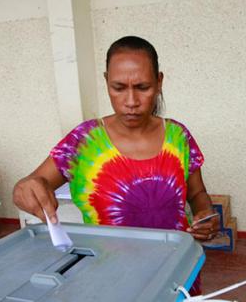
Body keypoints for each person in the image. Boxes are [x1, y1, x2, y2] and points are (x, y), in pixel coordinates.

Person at [14, 36, 217, 293]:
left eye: (142, 87)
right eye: (118, 87)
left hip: (176, 273)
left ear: (159, 82)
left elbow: (198, 194)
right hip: (110, 279)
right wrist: (25, 188)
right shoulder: (85, 141)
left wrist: (206, 216)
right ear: (106, 82)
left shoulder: (179, 137)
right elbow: (32, 184)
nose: (131, 101)